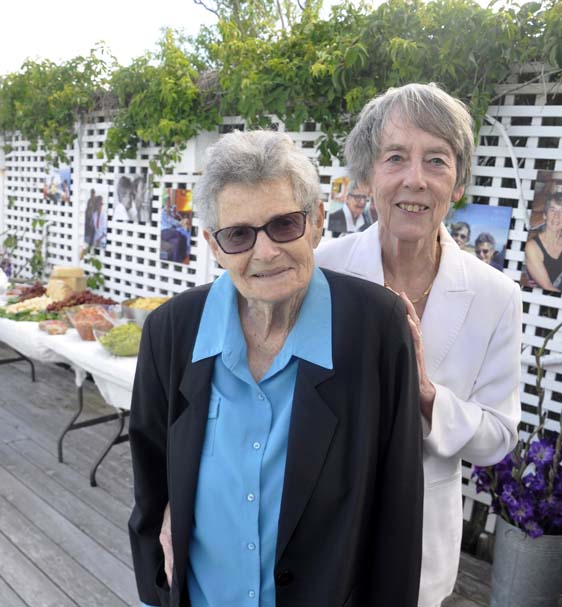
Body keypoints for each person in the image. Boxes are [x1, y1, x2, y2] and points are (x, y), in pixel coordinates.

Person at [129, 130, 424, 607]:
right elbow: (150, 479)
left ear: (315, 224)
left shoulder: (376, 330)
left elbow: (399, 509)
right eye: (239, 235)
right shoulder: (171, 330)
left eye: (284, 224)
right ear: (214, 245)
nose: (265, 252)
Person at [315, 83, 522, 607]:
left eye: (437, 160)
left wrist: (428, 397)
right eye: (395, 158)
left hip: (421, 548)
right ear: (367, 175)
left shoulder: (496, 296)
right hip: (317, 530)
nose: (416, 179)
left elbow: (498, 437)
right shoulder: (322, 269)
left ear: (457, 183)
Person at [524, 193, 562, 291]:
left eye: (561, 211)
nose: (557, 216)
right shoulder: (532, 247)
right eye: (552, 210)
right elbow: (548, 287)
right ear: (545, 215)